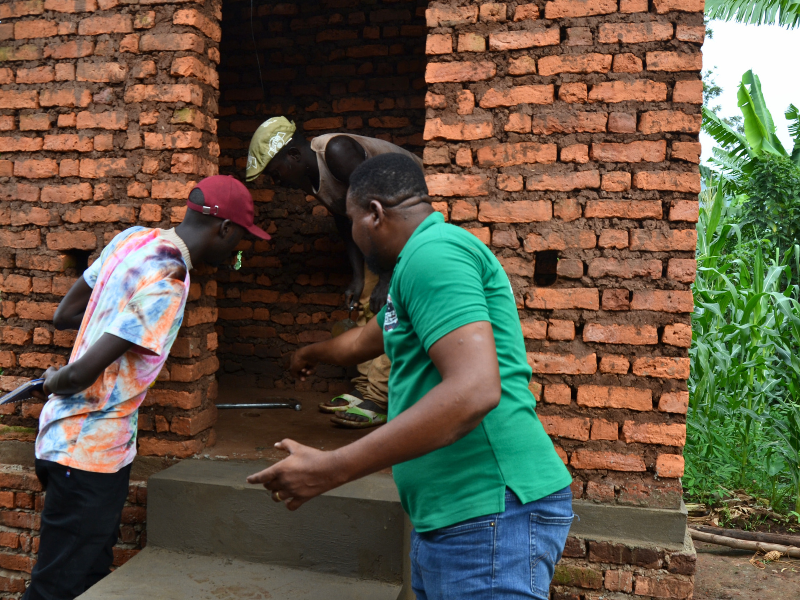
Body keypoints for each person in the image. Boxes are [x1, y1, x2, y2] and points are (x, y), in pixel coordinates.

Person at [247, 154, 574, 599]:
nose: (354, 237)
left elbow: (475, 390)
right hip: (456, 518)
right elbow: (365, 340)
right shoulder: (415, 268)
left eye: (352, 221)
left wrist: (332, 468)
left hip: (490, 514)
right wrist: (310, 353)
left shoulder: (433, 255)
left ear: (375, 213)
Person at [24, 175, 269, 600]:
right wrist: (52, 381)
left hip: (68, 442)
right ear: (224, 229)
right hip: (88, 451)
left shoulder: (132, 239)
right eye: (240, 241)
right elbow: (82, 375)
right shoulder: (171, 277)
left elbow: (65, 315)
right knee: (56, 588)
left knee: (90, 574)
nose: (237, 252)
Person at [246, 117, 424, 428]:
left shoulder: (337, 153)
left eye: (276, 173)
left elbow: (380, 211)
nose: (277, 183)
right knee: (369, 303)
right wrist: (358, 277)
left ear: (294, 156)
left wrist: (386, 278)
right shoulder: (311, 178)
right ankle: (365, 388)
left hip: (412, 222)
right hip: (383, 233)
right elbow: (349, 221)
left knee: (391, 307)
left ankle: (380, 399)